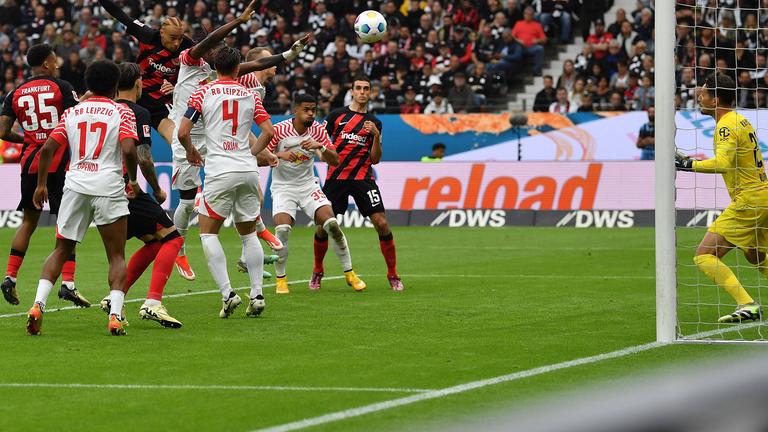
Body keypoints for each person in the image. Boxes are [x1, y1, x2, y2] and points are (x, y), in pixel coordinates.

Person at [168, 2, 306, 280]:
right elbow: (210, 39)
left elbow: (257, 63)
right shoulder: (189, 59)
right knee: (185, 202)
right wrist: (240, 20)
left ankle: (257, 225)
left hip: (213, 136)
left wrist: (289, 54)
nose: (217, 51)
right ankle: (178, 250)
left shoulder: (220, 71)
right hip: (186, 138)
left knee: (245, 175)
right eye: (214, 47)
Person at [27, 60, 140, 336]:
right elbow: (128, 149)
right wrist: (134, 179)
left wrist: (41, 184)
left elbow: (48, 149)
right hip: (108, 186)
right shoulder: (121, 112)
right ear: (115, 86)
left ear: (88, 84)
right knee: (116, 256)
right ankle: (114, 316)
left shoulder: (72, 112)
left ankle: (37, 305)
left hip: (76, 185)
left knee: (61, 249)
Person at [177, 47, 274, 318]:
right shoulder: (250, 94)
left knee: (208, 233)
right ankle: (257, 294)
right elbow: (269, 131)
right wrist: (251, 155)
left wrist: (190, 151)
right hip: (246, 169)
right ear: (238, 68)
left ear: (215, 67)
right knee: (248, 233)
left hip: (219, 169)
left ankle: (228, 294)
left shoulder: (203, 91)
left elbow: (183, 131)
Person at [0, 43, 88, 308]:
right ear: (47, 64)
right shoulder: (61, 87)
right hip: (59, 164)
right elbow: (78, 114)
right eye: (54, 59)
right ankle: (68, 284)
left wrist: (28, 140)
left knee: (28, 222)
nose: (58, 63)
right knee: (66, 224)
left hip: (30, 163)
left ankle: (10, 277)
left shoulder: (14, 92)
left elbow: (3, 131)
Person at [675, 73, 768, 323]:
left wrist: (689, 164)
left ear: (715, 100)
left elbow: (724, 163)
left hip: (748, 200)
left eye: (703, 93)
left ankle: (747, 304)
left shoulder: (725, 125)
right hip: (762, 196)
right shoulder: (741, 121)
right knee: (754, 254)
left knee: (704, 255)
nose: (699, 97)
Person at [98, 62, 183, 328]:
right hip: (124, 186)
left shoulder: (104, 109)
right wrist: (157, 189)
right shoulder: (137, 112)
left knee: (154, 241)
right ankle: (153, 303)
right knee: (173, 238)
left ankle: (115, 299)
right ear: (138, 83)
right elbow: (143, 156)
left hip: (96, 185)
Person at [267, 94, 365, 294]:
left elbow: (335, 160)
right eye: (307, 110)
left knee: (332, 225)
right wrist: (279, 155)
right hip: (283, 187)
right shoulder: (279, 130)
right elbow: (260, 156)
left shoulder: (318, 130)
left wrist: (319, 146)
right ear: (295, 110)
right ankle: (281, 279)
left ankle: (350, 273)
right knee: (283, 229)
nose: (311, 114)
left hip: (308, 186)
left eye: (314, 110)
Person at [318, 75, 404, 291]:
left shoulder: (375, 123)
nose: (363, 92)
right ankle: (317, 271)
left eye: (367, 88)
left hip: (363, 179)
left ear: (371, 92)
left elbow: (375, 159)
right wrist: (326, 155)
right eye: (359, 88)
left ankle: (393, 274)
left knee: (382, 223)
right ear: (352, 91)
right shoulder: (336, 116)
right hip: (336, 179)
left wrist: (375, 136)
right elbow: (321, 145)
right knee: (322, 227)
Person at [97, 0, 192, 146]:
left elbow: (203, 73)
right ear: (162, 33)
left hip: (161, 103)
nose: (176, 43)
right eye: (172, 38)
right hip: (135, 95)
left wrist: (177, 89)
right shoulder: (147, 35)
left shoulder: (189, 48)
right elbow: (120, 14)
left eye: (180, 38)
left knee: (177, 141)